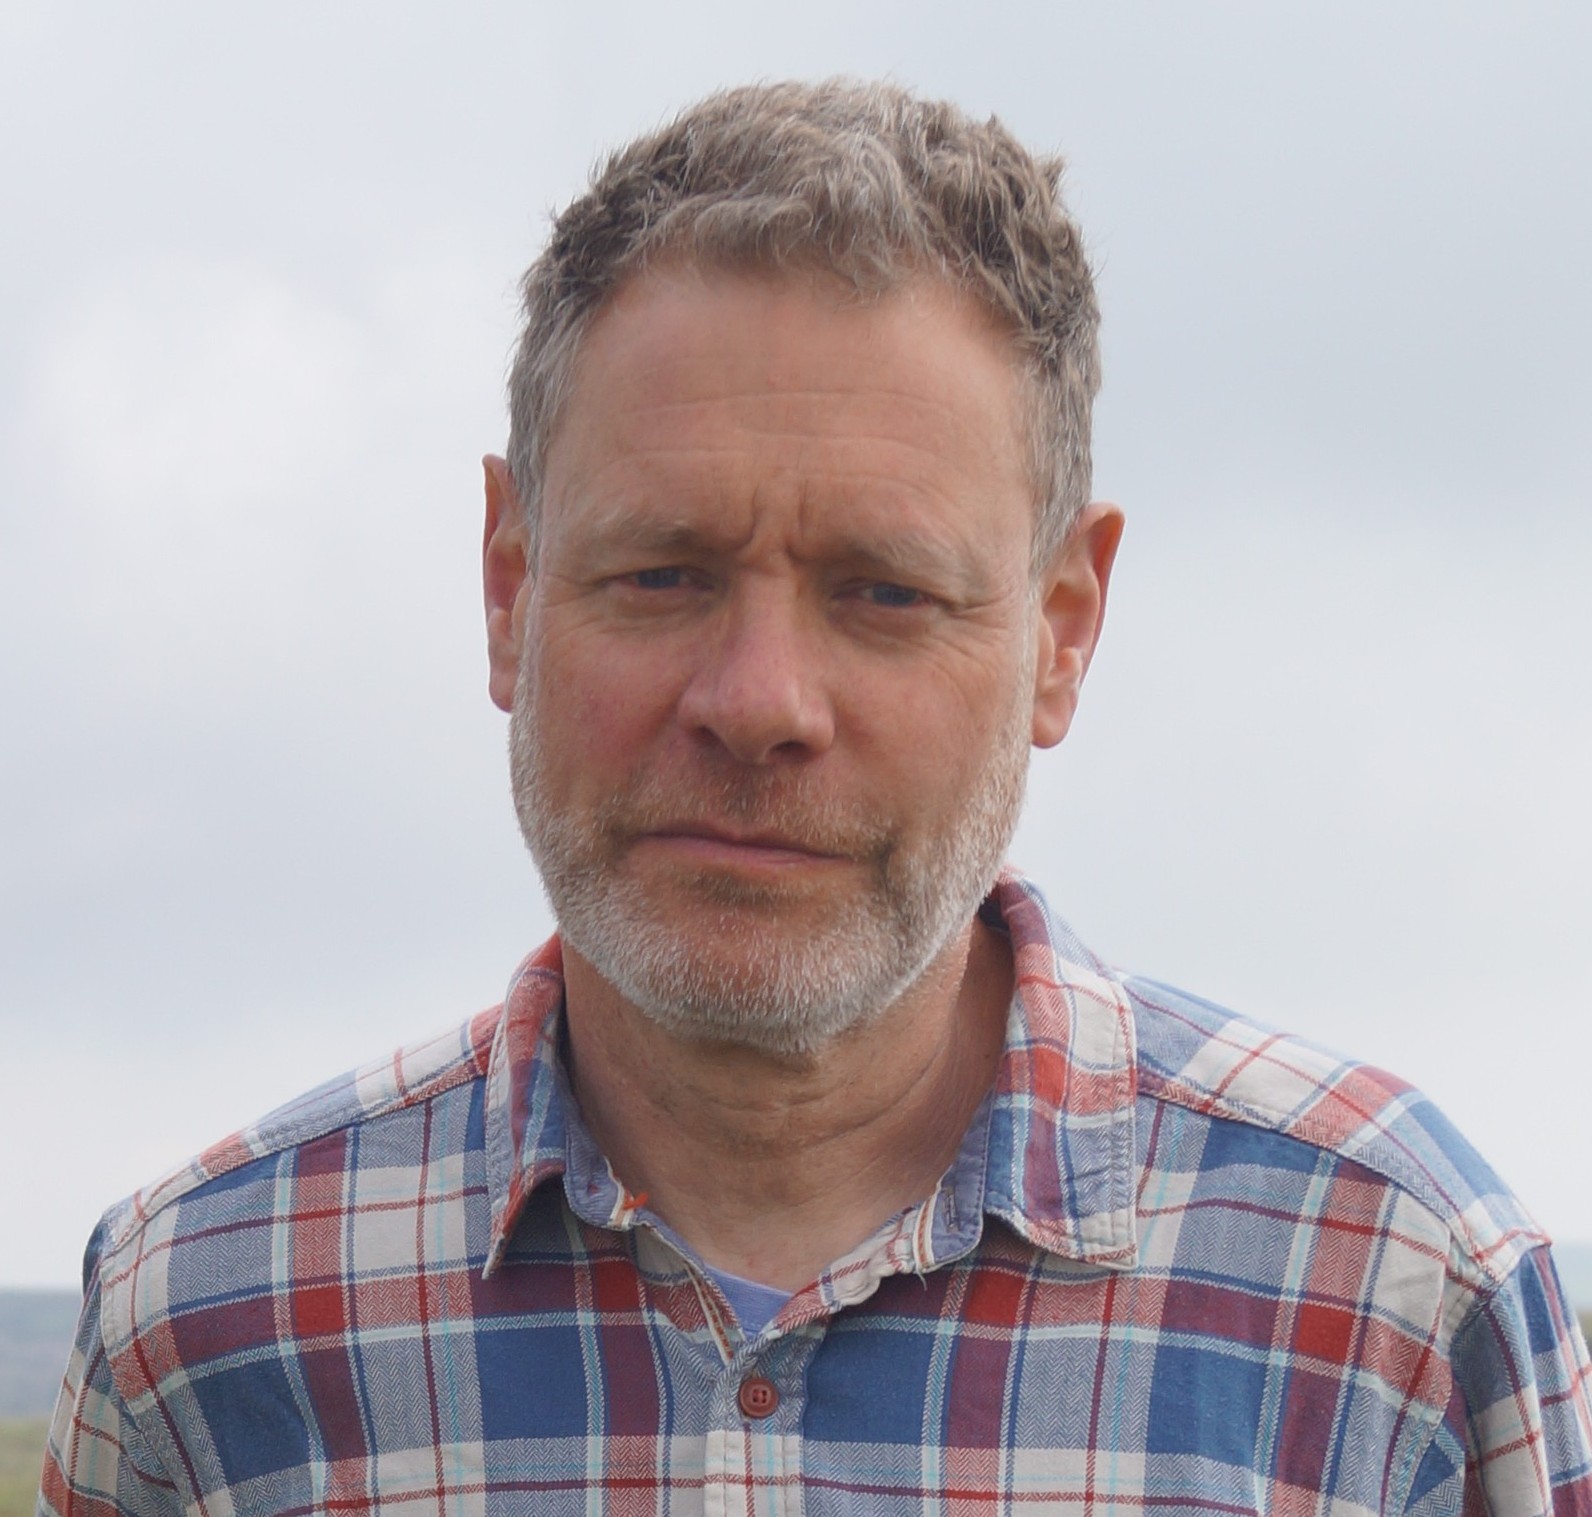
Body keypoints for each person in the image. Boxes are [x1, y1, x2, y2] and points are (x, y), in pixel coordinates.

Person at [41, 79, 1592, 1516]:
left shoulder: (1399, 1307)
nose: (760, 701)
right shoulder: (202, 1330)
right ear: (509, 584)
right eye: (663, 571)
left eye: (883, 591)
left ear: (1062, 630)